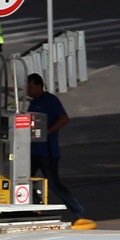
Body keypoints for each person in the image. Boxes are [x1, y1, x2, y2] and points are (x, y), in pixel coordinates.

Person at [26, 73, 84, 218]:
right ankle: (32, 207)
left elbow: (64, 119)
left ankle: (77, 209)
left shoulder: (50, 100)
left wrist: (47, 132)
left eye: (31, 88)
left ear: (39, 86)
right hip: (33, 151)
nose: (28, 91)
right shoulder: (32, 102)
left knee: (53, 184)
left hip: (47, 152)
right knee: (25, 180)